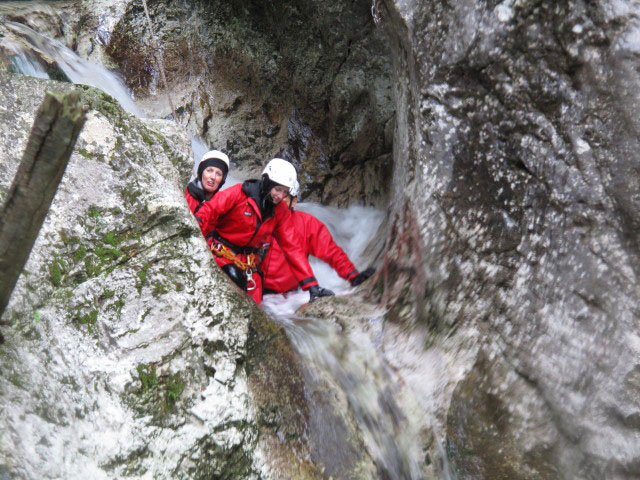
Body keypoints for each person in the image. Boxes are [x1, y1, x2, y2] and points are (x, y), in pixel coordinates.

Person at [196, 158, 335, 304]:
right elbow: (207, 212)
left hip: (249, 265)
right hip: (221, 254)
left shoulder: (280, 211)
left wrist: (312, 286)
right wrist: (196, 242)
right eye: (277, 190)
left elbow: (292, 248)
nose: (280, 196)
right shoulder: (239, 193)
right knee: (234, 282)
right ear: (267, 182)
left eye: (285, 192)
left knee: (254, 308)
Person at [262, 180, 375, 294]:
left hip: (285, 295)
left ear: (294, 202)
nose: (280, 203)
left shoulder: (307, 224)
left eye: (285, 198)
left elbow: (331, 252)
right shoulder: (257, 217)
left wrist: (353, 276)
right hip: (256, 289)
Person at [185, 150, 230, 215]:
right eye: (209, 171)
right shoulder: (184, 196)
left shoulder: (221, 208)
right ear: (201, 172)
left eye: (218, 174)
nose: (213, 177)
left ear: (222, 179)